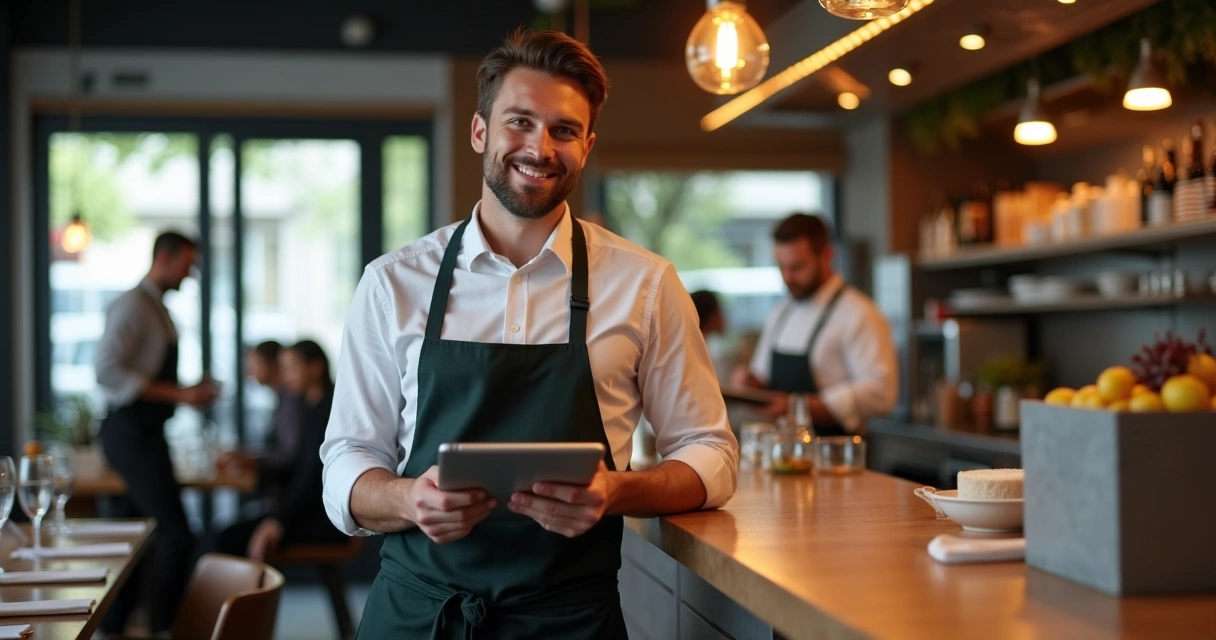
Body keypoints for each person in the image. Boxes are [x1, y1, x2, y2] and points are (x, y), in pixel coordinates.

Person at [320, 29, 738, 639]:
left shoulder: (645, 285)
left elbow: (713, 453)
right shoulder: (393, 284)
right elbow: (347, 460)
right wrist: (410, 500)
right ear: (480, 131)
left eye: (564, 130)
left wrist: (615, 491)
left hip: (569, 621)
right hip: (417, 618)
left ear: (587, 145)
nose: (539, 147)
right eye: (519, 122)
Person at [94, 231, 218, 637]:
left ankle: (116, 625)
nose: (191, 272)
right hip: (129, 432)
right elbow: (107, 369)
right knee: (176, 533)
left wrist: (185, 391)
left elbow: (146, 373)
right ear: (164, 258)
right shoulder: (133, 305)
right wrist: (181, 393)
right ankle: (165, 626)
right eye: (187, 263)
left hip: (148, 432)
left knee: (137, 536)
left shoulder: (157, 309)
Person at [731, 213, 897, 436]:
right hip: (783, 453)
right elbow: (764, 376)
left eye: (797, 267)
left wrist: (799, 406)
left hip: (834, 455)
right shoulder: (781, 312)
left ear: (827, 255)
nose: (787, 277)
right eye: (781, 267)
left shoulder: (860, 313)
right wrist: (750, 383)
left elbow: (881, 392)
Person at [218, 340, 345, 561]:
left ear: (315, 368)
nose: (285, 377)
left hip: (324, 517)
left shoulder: (327, 412)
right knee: (225, 535)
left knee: (225, 539)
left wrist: (278, 520)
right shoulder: (309, 408)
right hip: (305, 511)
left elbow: (310, 478)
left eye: (291, 368)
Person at [217, 340, 303, 501]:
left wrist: (252, 460)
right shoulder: (282, 398)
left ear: (272, 364)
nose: (249, 372)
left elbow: (290, 454)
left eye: (253, 365)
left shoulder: (292, 400)